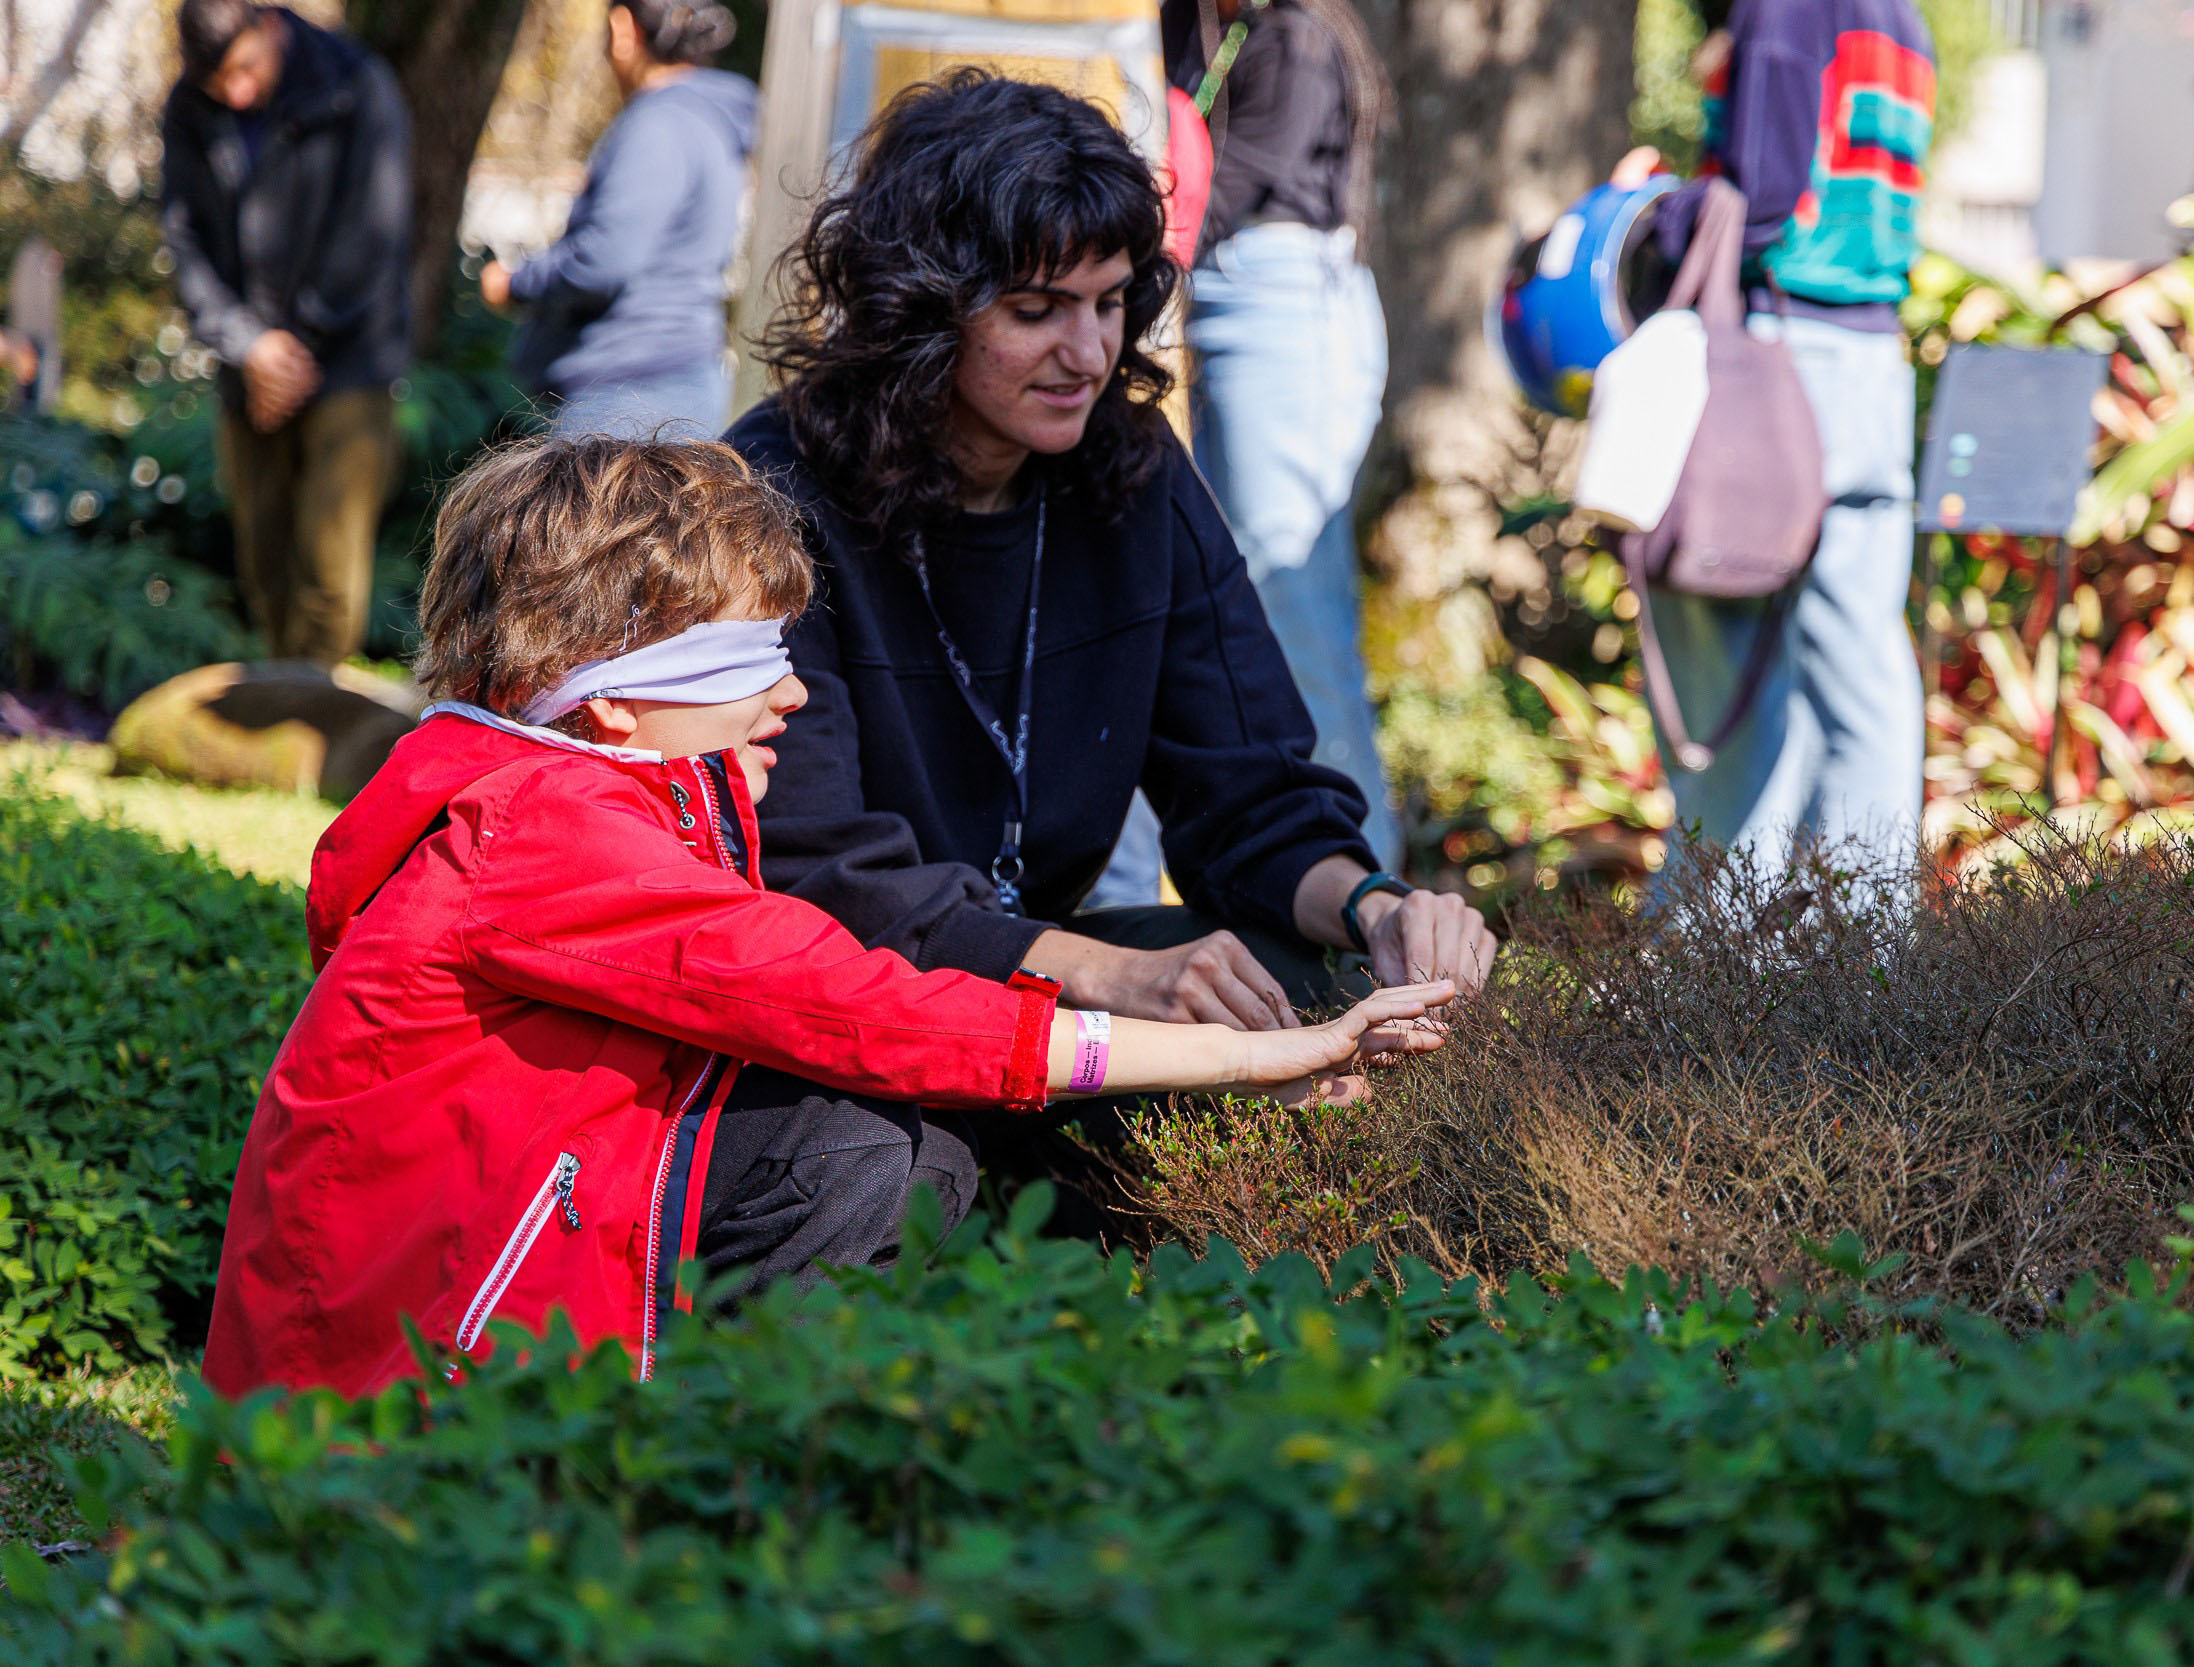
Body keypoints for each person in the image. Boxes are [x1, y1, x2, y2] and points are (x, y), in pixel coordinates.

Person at [201, 434, 1454, 1399]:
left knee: (887, 1138)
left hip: (444, 1324)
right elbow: (863, 1007)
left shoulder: (544, 792)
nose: (791, 693)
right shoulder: (547, 833)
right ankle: (731, 1485)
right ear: (610, 697)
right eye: (743, 662)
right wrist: (1253, 1054)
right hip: (387, 1404)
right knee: (862, 1145)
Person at [723, 73, 1492, 1222]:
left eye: (1112, 300)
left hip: (1053, 989)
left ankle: (1243, 1262)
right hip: (853, 1012)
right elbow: (820, 877)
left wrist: (1378, 908)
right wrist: (1116, 977)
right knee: (885, 1151)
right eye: (1037, 309)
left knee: (1343, 994)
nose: (1086, 351)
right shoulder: (773, 493)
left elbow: (1251, 792)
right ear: (919, 311)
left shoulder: (1131, 472)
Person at [1616, 0, 1934, 880]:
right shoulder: (1902, 16)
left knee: (1728, 671)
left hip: (1777, 361)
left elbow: (1759, 206)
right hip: (1870, 355)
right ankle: (1869, 940)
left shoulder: (1786, 7)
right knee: (1859, 674)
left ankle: (1720, 943)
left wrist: (1656, 208)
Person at [1097, 0, 1399, 904]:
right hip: (1211, 304)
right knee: (1209, 603)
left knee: (1293, 616)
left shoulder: (1296, 36)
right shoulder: (1189, 24)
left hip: (1279, 309)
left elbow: (1225, 191)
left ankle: (1368, 907)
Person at [160, 0, 411, 667]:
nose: (237, 93)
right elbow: (184, 241)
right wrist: (250, 346)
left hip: (350, 359)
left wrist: (291, 350)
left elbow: (374, 232)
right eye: (220, 83)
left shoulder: (356, 85)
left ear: (268, 25)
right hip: (249, 366)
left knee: (329, 566)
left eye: (246, 69)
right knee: (264, 556)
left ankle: (314, 709)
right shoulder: (189, 106)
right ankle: (279, 698)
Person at [482, 2, 756, 439]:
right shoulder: (709, 119)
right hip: (679, 385)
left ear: (623, 28)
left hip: (627, 400)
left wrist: (515, 282)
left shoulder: (658, 124)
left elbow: (604, 261)